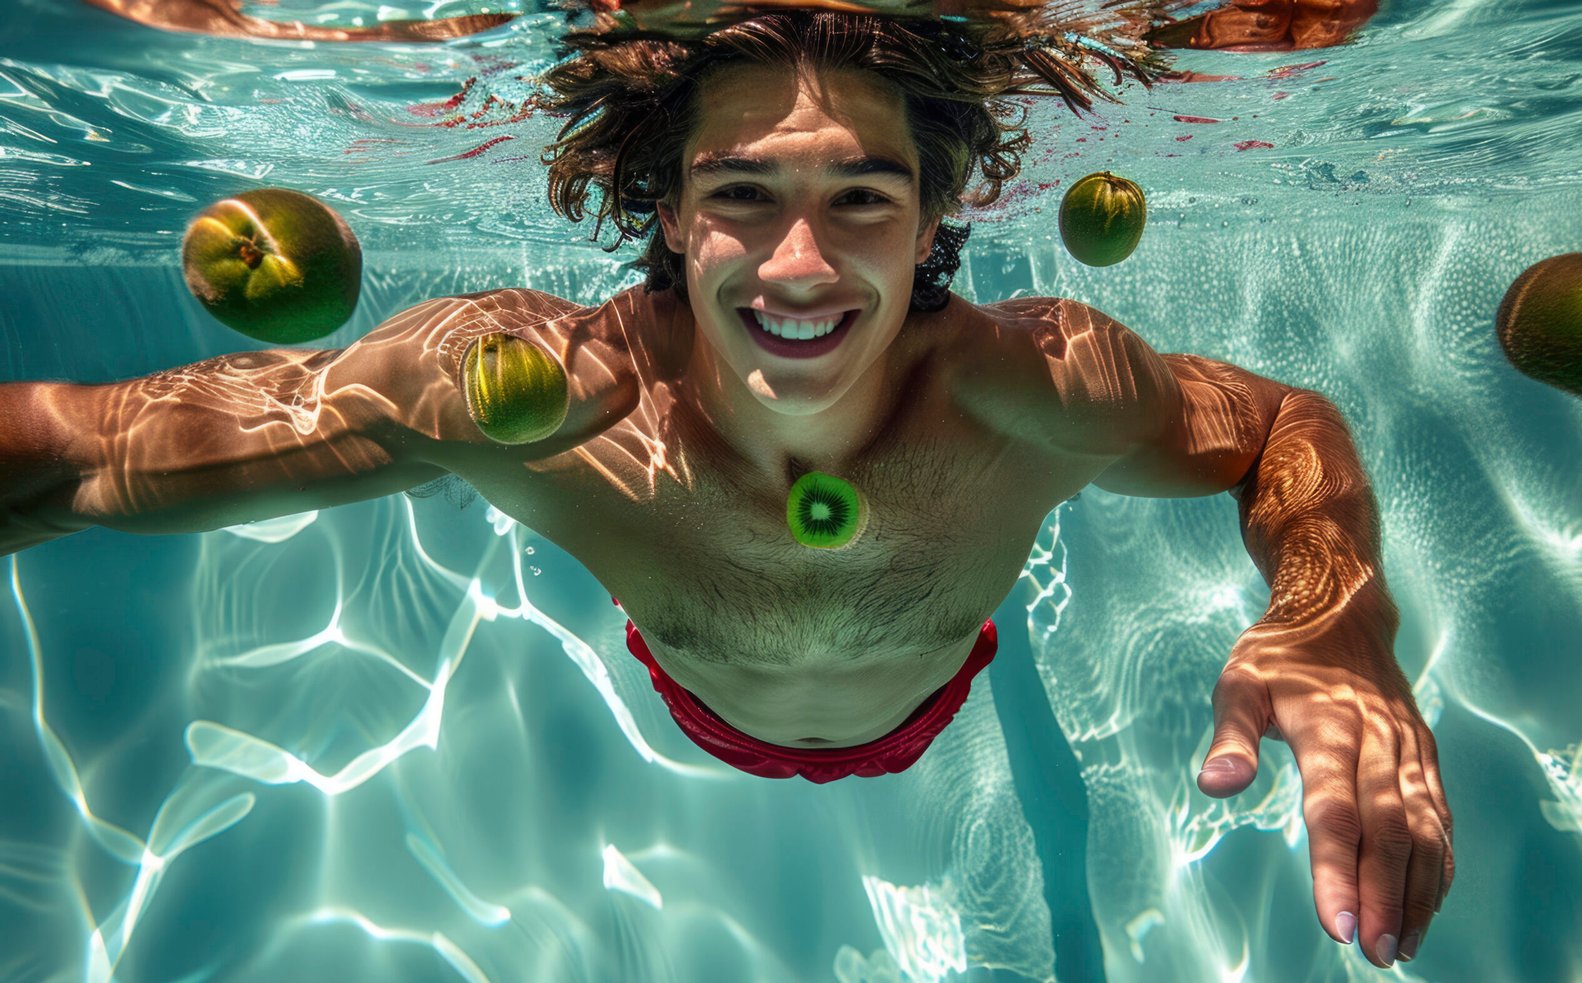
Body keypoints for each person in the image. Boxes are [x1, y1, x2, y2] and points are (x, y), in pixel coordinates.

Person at [1, 3, 1449, 970]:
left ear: (937, 217)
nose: (801, 267)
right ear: (671, 213)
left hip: (936, 683)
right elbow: (79, 454)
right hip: (694, 691)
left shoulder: (1038, 389)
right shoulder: (531, 404)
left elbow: (1276, 427)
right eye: (743, 195)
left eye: (861, 203)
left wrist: (1334, 613)